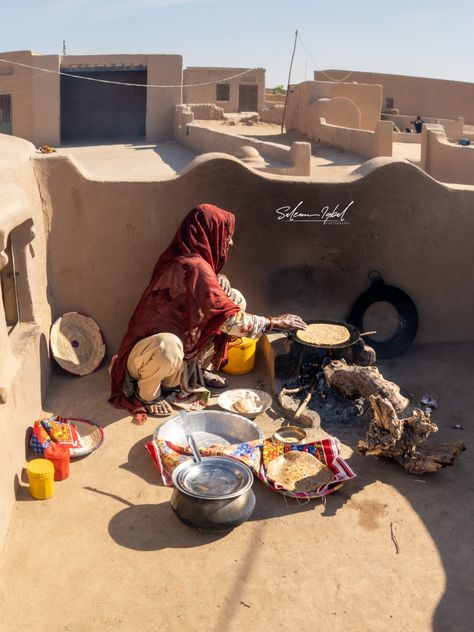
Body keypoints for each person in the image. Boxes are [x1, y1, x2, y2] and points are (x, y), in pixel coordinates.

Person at [109, 204, 307, 420]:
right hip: (147, 357)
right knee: (169, 345)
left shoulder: (186, 258)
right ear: (209, 233)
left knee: (235, 299)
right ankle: (149, 394)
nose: (230, 242)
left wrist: (218, 279)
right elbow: (232, 322)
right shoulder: (194, 266)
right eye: (226, 235)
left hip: (176, 355)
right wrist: (274, 323)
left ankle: (195, 371)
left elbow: (200, 299)